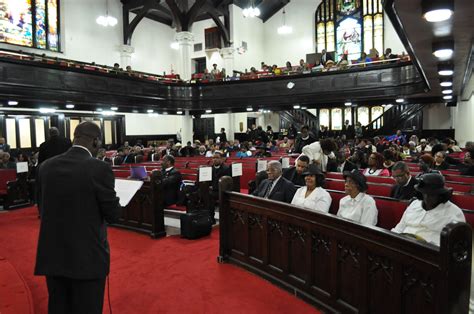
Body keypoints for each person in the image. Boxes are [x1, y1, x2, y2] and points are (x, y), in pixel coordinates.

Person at [35, 121, 121, 314]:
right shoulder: (99, 168)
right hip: (86, 257)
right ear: (96, 142)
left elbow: (41, 206)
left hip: (53, 255)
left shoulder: (45, 167)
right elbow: (113, 215)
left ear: (74, 137)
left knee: (59, 307)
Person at [392, 173, 465, 246]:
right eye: (424, 193)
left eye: (432, 195)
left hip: (429, 252)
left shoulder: (454, 213)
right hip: (401, 245)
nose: (427, 198)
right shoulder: (414, 204)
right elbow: (399, 228)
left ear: (441, 195)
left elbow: (454, 245)